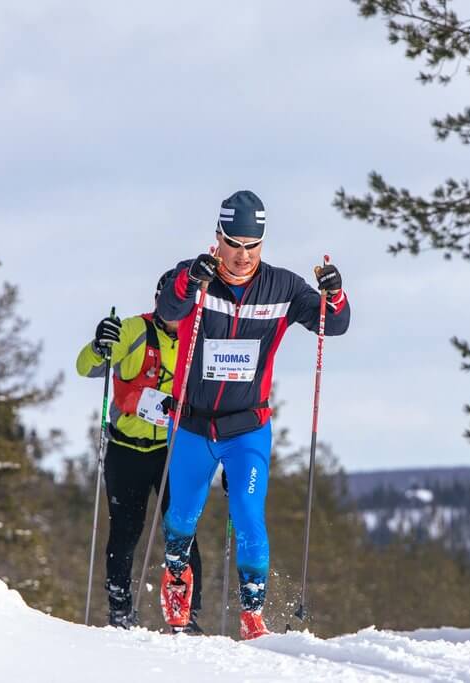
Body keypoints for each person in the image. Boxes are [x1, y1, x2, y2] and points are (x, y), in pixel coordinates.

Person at [155, 189, 350, 640]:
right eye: (234, 244)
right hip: (192, 424)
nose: (242, 256)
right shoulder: (193, 278)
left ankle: (252, 612)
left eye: (252, 246)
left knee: (247, 510)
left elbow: (332, 324)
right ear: (217, 238)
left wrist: (334, 294)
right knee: (183, 514)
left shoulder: (281, 287)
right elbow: (168, 308)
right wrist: (189, 279)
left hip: (247, 427)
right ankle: (176, 577)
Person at [76, 270, 205, 633]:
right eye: (171, 304)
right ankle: (119, 611)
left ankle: (187, 614)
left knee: (182, 533)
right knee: (126, 531)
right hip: (126, 450)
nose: (176, 313)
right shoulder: (133, 330)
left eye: (184, 306)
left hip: (173, 451)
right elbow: (86, 367)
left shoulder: (198, 340)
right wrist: (99, 344)